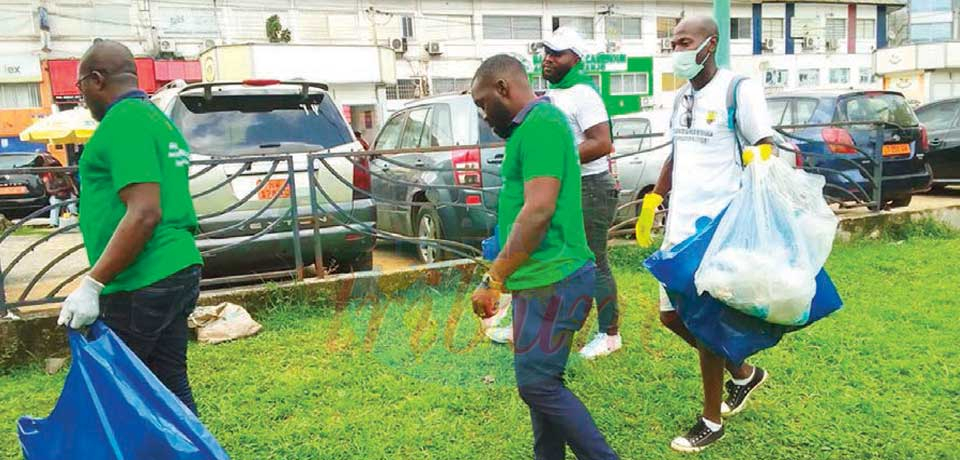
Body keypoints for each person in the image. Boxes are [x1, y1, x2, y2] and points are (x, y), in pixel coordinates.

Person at [635, 16, 776, 452]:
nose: (676, 48)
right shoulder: (681, 97)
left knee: (703, 318)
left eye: (684, 40)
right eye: (672, 41)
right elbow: (677, 155)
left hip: (718, 228)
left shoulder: (739, 89)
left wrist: (757, 175)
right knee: (670, 316)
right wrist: (653, 203)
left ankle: (711, 420)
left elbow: (764, 145)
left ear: (709, 43)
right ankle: (744, 374)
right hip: (680, 227)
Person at [470, 54, 618, 460]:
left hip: (555, 278)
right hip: (538, 279)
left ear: (504, 88)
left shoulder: (543, 125)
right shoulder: (530, 130)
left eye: (483, 104)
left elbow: (538, 210)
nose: (484, 115)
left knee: (537, 386)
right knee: (542, 382)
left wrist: (493, 279)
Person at [57, 40, 204, 415]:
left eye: (80, 88)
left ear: (96, 80)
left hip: (142, 279)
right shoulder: (157, 119)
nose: (82, 97)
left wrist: (92, 284)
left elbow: (144, 212)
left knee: (108, 396)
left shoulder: (123, 122)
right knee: (167, 387)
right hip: (174, 268)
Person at [542, 27, 621, 360]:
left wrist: (560, 160)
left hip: (590, 187)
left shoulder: (583, 94)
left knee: (594, 261)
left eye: (556, 54)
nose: (547, 59)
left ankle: (610, 334)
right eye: (546, 52)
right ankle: (561, 325)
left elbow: (602, 143)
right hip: (565, 188)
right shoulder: (554, 94)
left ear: (575, 59)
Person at [37, 155, 77, 228]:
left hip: (68, 195)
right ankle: (54, 223)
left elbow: (69, 185)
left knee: (71, 206)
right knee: (54, 205)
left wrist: (62, 189)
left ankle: (75, 222)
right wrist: (57, 191)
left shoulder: (65, 176)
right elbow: (49, 189)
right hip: (56, 195)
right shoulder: (48, 178)